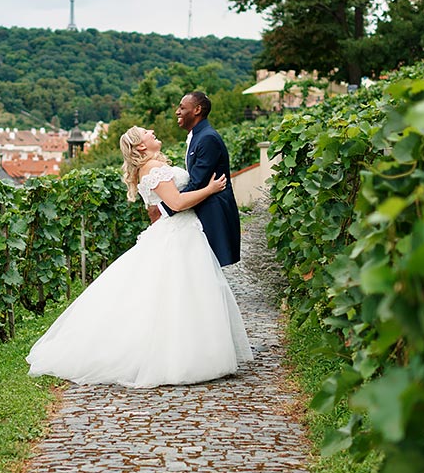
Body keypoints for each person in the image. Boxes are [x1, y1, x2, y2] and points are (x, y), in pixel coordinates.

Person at [25, 127, 253, 388]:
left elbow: (153, 210)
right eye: (146, 132)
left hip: (178, 232)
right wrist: (210, 190)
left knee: (179, 296)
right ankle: (180, 359)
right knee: (181, 295)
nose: (153, 131)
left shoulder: (150, 167)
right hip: (180, 234)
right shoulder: (153, 168)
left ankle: (189, 354)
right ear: (141, 147)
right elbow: (176, 204)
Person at [164, 90, 242, 267]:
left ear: (197, 110)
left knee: (207, 270)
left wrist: (167, 207)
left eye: (182, 108)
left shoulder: (207, 138)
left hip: (212, 213)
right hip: (202, 208)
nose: (177, 111)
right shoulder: (199, 135)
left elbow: (197, 182)